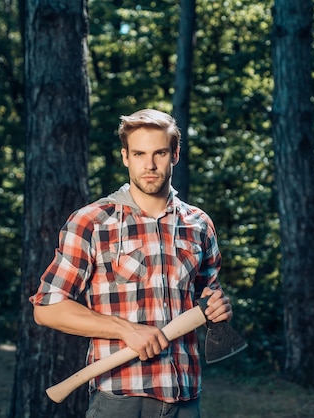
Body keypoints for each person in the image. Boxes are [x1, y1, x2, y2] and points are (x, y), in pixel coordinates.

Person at [30, 108, 233, 417]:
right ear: (125, 156)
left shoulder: (199, 224)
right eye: (139, 154)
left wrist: (218, 309)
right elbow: (47, 308)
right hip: (120, 400)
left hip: (186, 398)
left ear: (175, 154)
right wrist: (125, 329)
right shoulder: (92, 221)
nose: (149, 165)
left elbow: (207, 299)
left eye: (160, 153)